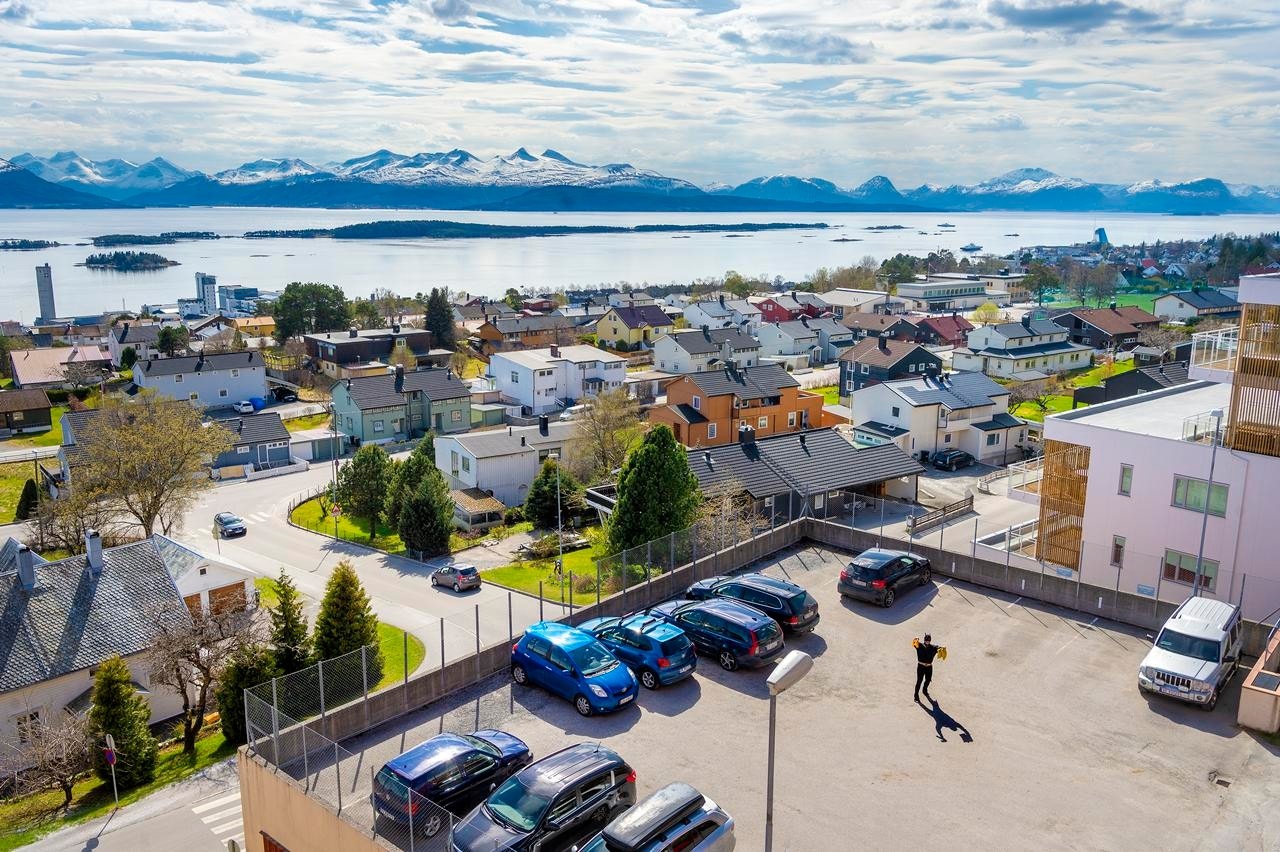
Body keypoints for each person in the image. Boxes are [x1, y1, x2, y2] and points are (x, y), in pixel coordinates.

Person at [912, 634, 943, 702]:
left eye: (928, 640)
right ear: (924, 640)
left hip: (929, 667)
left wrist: (942, 648)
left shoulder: (933, 647)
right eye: (926, 640)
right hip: (921, 666)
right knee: (919, 681)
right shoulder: (919, 645)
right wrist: (916, 638)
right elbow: (914, 642)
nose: (927, 641)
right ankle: (916, 695)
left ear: (930, 640)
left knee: (928, 680)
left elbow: (938, 648)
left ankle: (924, 689)